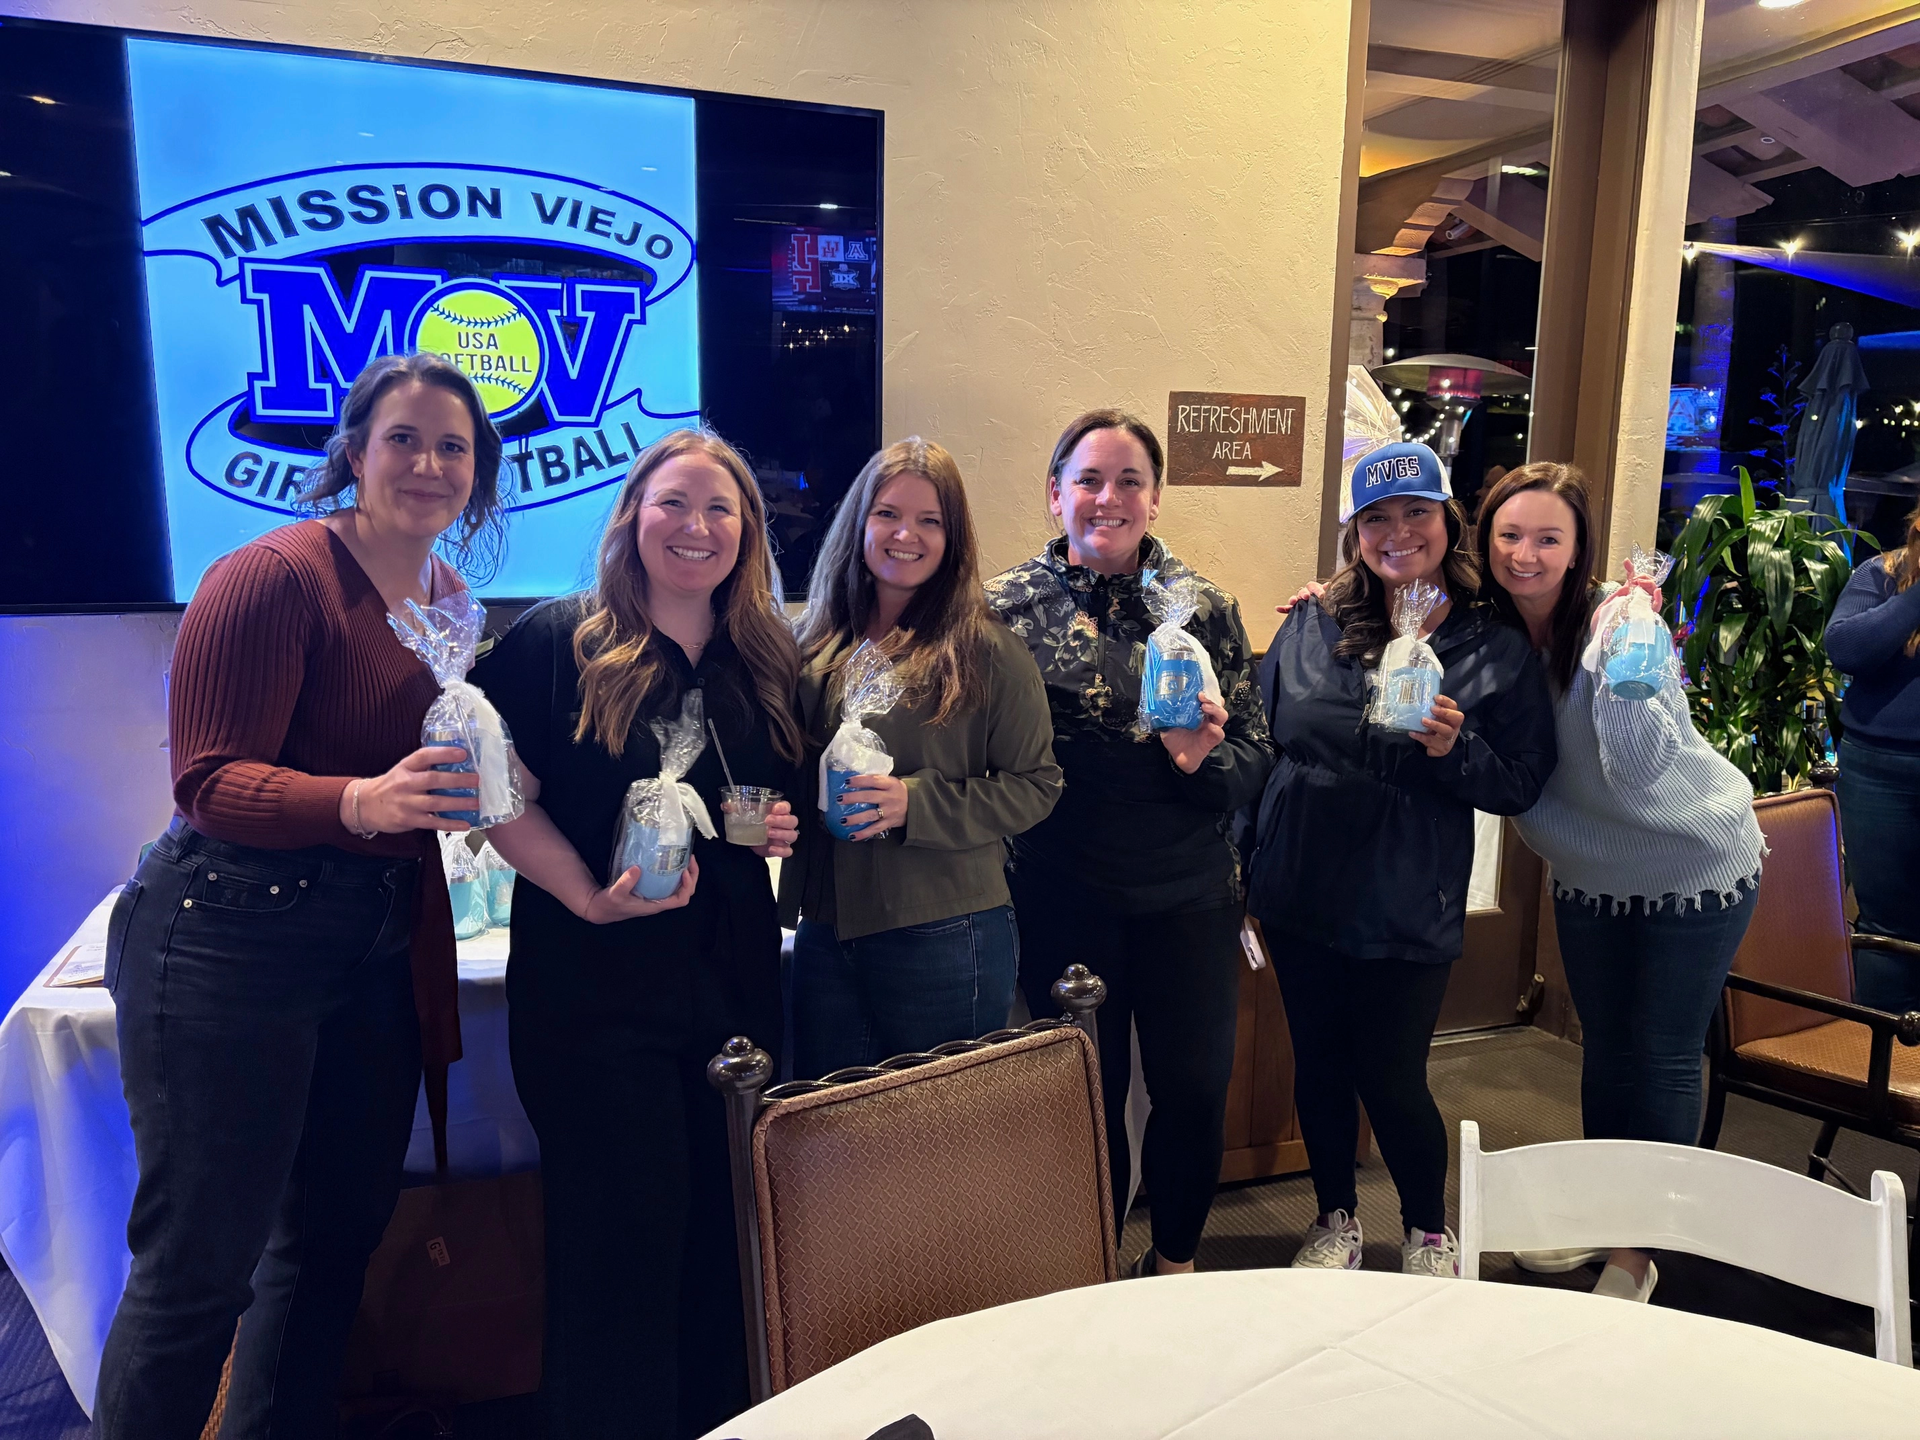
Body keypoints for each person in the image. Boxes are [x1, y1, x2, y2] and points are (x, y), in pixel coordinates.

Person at [96, 352, 505, 1437]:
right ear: (354, 453)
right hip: (230, 932)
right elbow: (209, 779)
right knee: (200, 1266)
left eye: (453, 446)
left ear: (480, 472)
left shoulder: (446, 603)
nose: (428, 463)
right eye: (405, 439)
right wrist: (365, 802)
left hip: (371, 937)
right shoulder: (273, 575)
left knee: (334, 1237)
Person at [474, 430, 803, 1438]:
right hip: (594, 993)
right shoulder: (556, 642)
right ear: (631, 515)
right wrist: (582, 893)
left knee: (722, 1234)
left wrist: (764, 825)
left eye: (721, 509)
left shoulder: (762, 656)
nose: (696, 527)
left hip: (734, 994)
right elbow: (492, 798)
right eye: (674, 503)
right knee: (624, 1243)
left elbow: (740, 801)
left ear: (747, 533)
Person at [1247, 441, 1554, 1281]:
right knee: (1317, 1066)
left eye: (1415, 512)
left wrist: (1458, 752)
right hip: (1300, 888)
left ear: (1447, 519)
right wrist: (1244, 865)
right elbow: (1262, 744)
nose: (1397, 533)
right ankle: (1335, 1216)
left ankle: (1426, 1229)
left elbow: (1524, 781)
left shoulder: (1494, 646)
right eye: (1375, 519)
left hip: (1405, 900)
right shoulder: (1312, 621)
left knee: (1391, 1074)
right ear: (1355, 537)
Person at [987, 409, 1274, 1279]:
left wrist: (1203, 760)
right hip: (1061, 897)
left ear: (1155, 498)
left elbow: (1256, 764)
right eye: (1088, 479)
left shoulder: (1203, 608)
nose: (1107, 498)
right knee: (1083, 1097)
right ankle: (1089, 1271)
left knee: (1191, 1093)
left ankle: (1176, 1263)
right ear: (1055, 493)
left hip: (1189, 896)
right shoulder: (1002, 610)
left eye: (1128, 482)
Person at [1480, 461, 1763, 1302]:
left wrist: (1631, 676)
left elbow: (1640, 771)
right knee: (1605, 1050)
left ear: (1577, 551)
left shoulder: (1618, 626)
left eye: (1548, 539)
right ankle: (1605, 1216)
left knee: (1664, 1057)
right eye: (1510, 534)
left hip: (1692, 861)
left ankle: (1643, 1249)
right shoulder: (1485, 631)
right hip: (1588, 870)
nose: (1526, 554)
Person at [782, 438, 1062, 1074]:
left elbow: (1037, 785)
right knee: (827, 1138)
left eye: (930, 520)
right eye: (887, 513)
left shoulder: (987, 651)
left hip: (946, 929)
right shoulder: (815, 643)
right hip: (826, 929)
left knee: (938, 1144)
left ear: (952, 538)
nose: (905, 533)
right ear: (859, 523)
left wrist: (916, 802)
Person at [1825, 499, 1920, 1013]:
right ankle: (1878, 1076)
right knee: (1886, 928)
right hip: (1878, 772)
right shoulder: (1882, 573)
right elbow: (1844, 649)